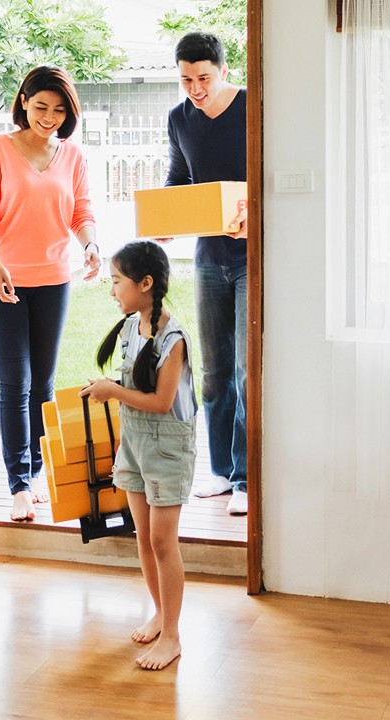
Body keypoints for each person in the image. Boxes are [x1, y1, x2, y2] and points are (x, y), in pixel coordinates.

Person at [0, 65, 101, 522]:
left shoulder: (72, 156)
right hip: (3, 280)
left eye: (59, 110)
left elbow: (81, 210)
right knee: (15, 382)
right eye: (41, 107)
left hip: (53, 277)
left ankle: (37, 469)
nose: (49, 117)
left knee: (43, 383)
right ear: (24, 102)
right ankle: (18, 484)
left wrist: (90, 245)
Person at [82, 241, 197, 671]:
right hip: (133, 443)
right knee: (145, 538)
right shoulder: (132, 326)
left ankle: (173, 636)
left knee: (163, 542)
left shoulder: (174, 338)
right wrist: (107, 386)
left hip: (168, 447)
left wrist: (113, 391)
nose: (112, 290)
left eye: (117, 281)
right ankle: (161, 614)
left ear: (145, 284)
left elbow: (163, 401)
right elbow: (136, 385)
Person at [162, 32, 249, 516]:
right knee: (213, 373)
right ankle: (219, 472)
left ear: (223, 69)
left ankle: (244, 477)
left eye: (204, 78)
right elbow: (179, 179)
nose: (195, 88)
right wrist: (168, 219)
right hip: (208, 259)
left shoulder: (249, 106)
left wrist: (250, 214)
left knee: (243, 368)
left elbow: (267, 172)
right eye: (186, 80)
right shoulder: (180, 118)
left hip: (249, 257)